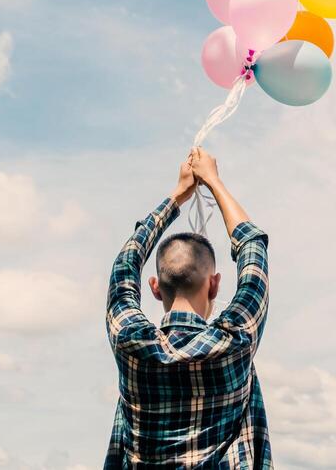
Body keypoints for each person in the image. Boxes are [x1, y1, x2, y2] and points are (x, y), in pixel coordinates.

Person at [104, 145, 271, 469]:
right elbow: (253, 247)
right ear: (214, 284)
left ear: (154, 287)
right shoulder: (234, 342)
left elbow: (125, 264)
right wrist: (214, 182)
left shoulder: (130, 342)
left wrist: (178, 195)